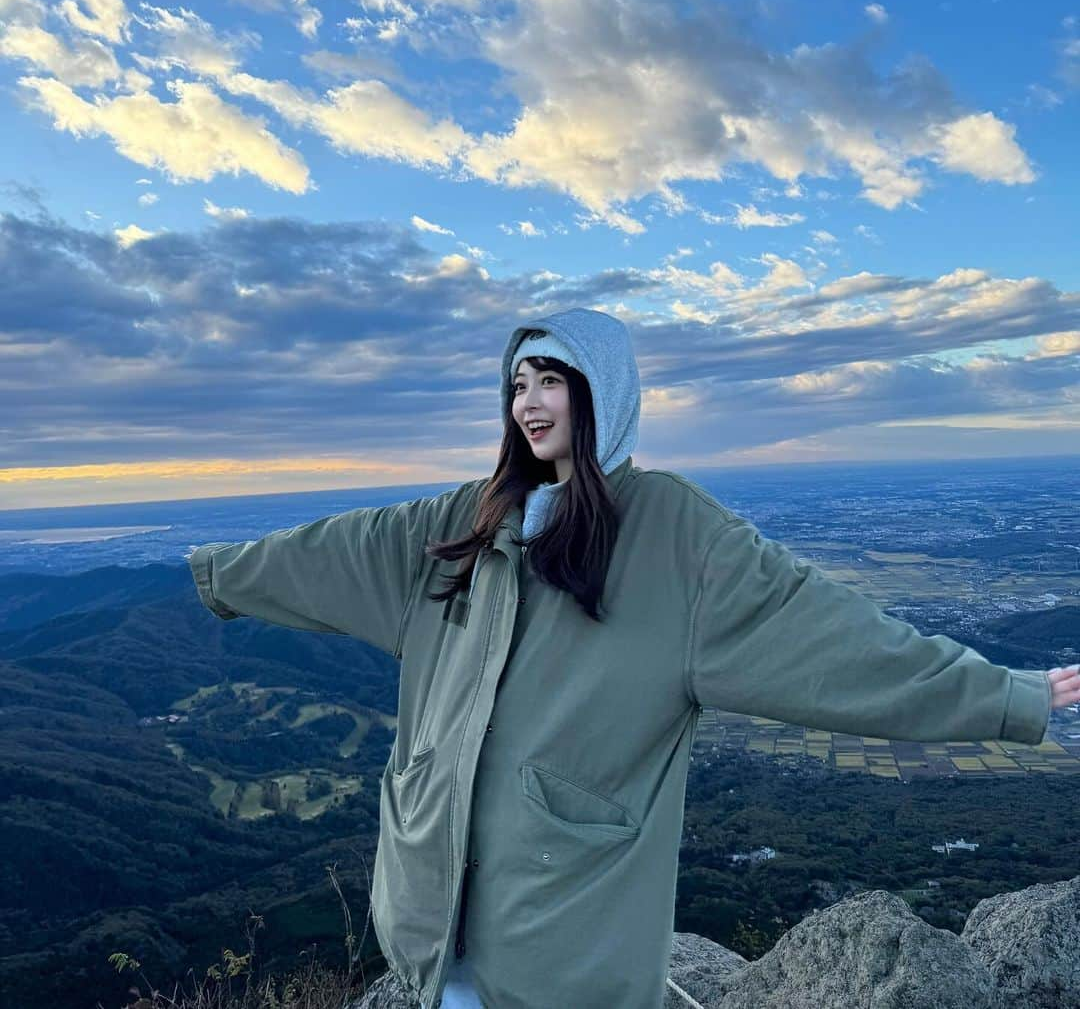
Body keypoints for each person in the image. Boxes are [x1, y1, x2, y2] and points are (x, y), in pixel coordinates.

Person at [186, 307, 1080, 1009]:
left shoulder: (673, 534)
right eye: (516, 386)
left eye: (549, 382)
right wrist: (218, 574)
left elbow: (830, 639)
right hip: (428, 918)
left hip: (564, 939)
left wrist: (1009, 696)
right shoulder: (465, 526)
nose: (526, 404)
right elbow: (334, 552)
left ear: (599, 392)